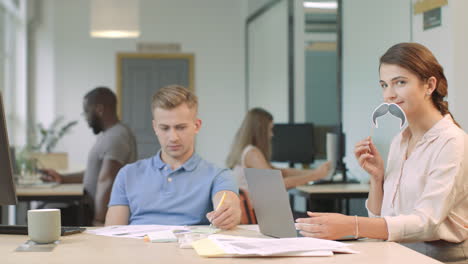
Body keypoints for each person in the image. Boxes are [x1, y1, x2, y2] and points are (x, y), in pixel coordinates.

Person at [296, 43, 467, 263]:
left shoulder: (452, 142)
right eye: (384, 85)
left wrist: (352, 225)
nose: (389, 95)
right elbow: (382, 220)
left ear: (429, 85)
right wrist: (377, 179)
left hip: (439, 258)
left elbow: (427, 223)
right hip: (398, 253)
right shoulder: (400, 141)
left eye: (400, 83)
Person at [105, 85, 241, 229]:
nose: (173, 137)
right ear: (155, 127)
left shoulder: (219, 176)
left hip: (190, 250)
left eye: (181, 127)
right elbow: (113, 233)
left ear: (197, 126)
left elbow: (227, 203)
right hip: (138, 249)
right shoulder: (128, 174)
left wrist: (229, 213)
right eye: (164, 128)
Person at [42, 87, 137, 226]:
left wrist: (99, 221)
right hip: (89, 207)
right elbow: (97, 174)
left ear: (99, 109)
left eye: (86, 111)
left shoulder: (116, 136)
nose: (86, 117)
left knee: (44, 216)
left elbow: (107, 180)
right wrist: (63, 178)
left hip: (95, 213)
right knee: (43, 211)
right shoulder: (108, 135)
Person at [226, 107, 331, 191]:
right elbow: (276, 185)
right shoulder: (252, 153)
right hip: (258, 215)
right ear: (260, 131)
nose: (272, 135)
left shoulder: (247, 151)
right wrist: (315, 175)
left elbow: (282, 172)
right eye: (270, 129)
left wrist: (315, 172)